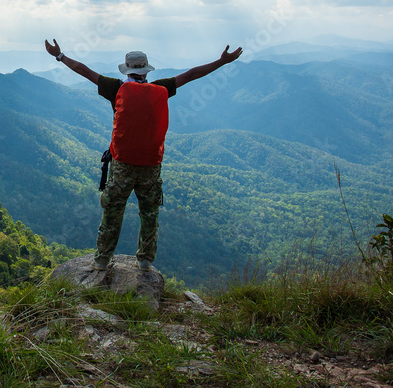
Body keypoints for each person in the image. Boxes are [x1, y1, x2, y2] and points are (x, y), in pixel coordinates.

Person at [43, 39, 243, 271]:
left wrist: (59, 56)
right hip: (150, 165)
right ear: (146, 69)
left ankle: (102, 259)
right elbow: (190, 75)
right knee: (149, 213)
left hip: (122, 165)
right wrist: (222, 61)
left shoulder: (116, 88)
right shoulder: (162, 89)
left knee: (113, 212)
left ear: (127, 68)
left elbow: (84, 71)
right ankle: (145, 260)